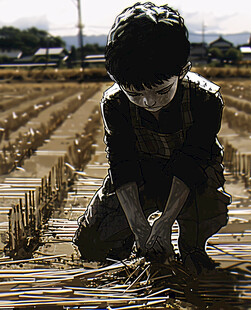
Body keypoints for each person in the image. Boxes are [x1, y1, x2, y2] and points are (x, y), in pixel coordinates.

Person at [73, 2, 231, 276]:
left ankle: (192, 247)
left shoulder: (205, 99)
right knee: (91, 244)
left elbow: (191, 161)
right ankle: (131, 248)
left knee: (203, 216)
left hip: (191, 179)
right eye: (134, 93)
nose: (148, 101)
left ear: (183, 70)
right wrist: (139, 226)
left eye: (161, 91)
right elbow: (123, 164)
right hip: (143, 173)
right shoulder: (115, 103)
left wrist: (166, 221)